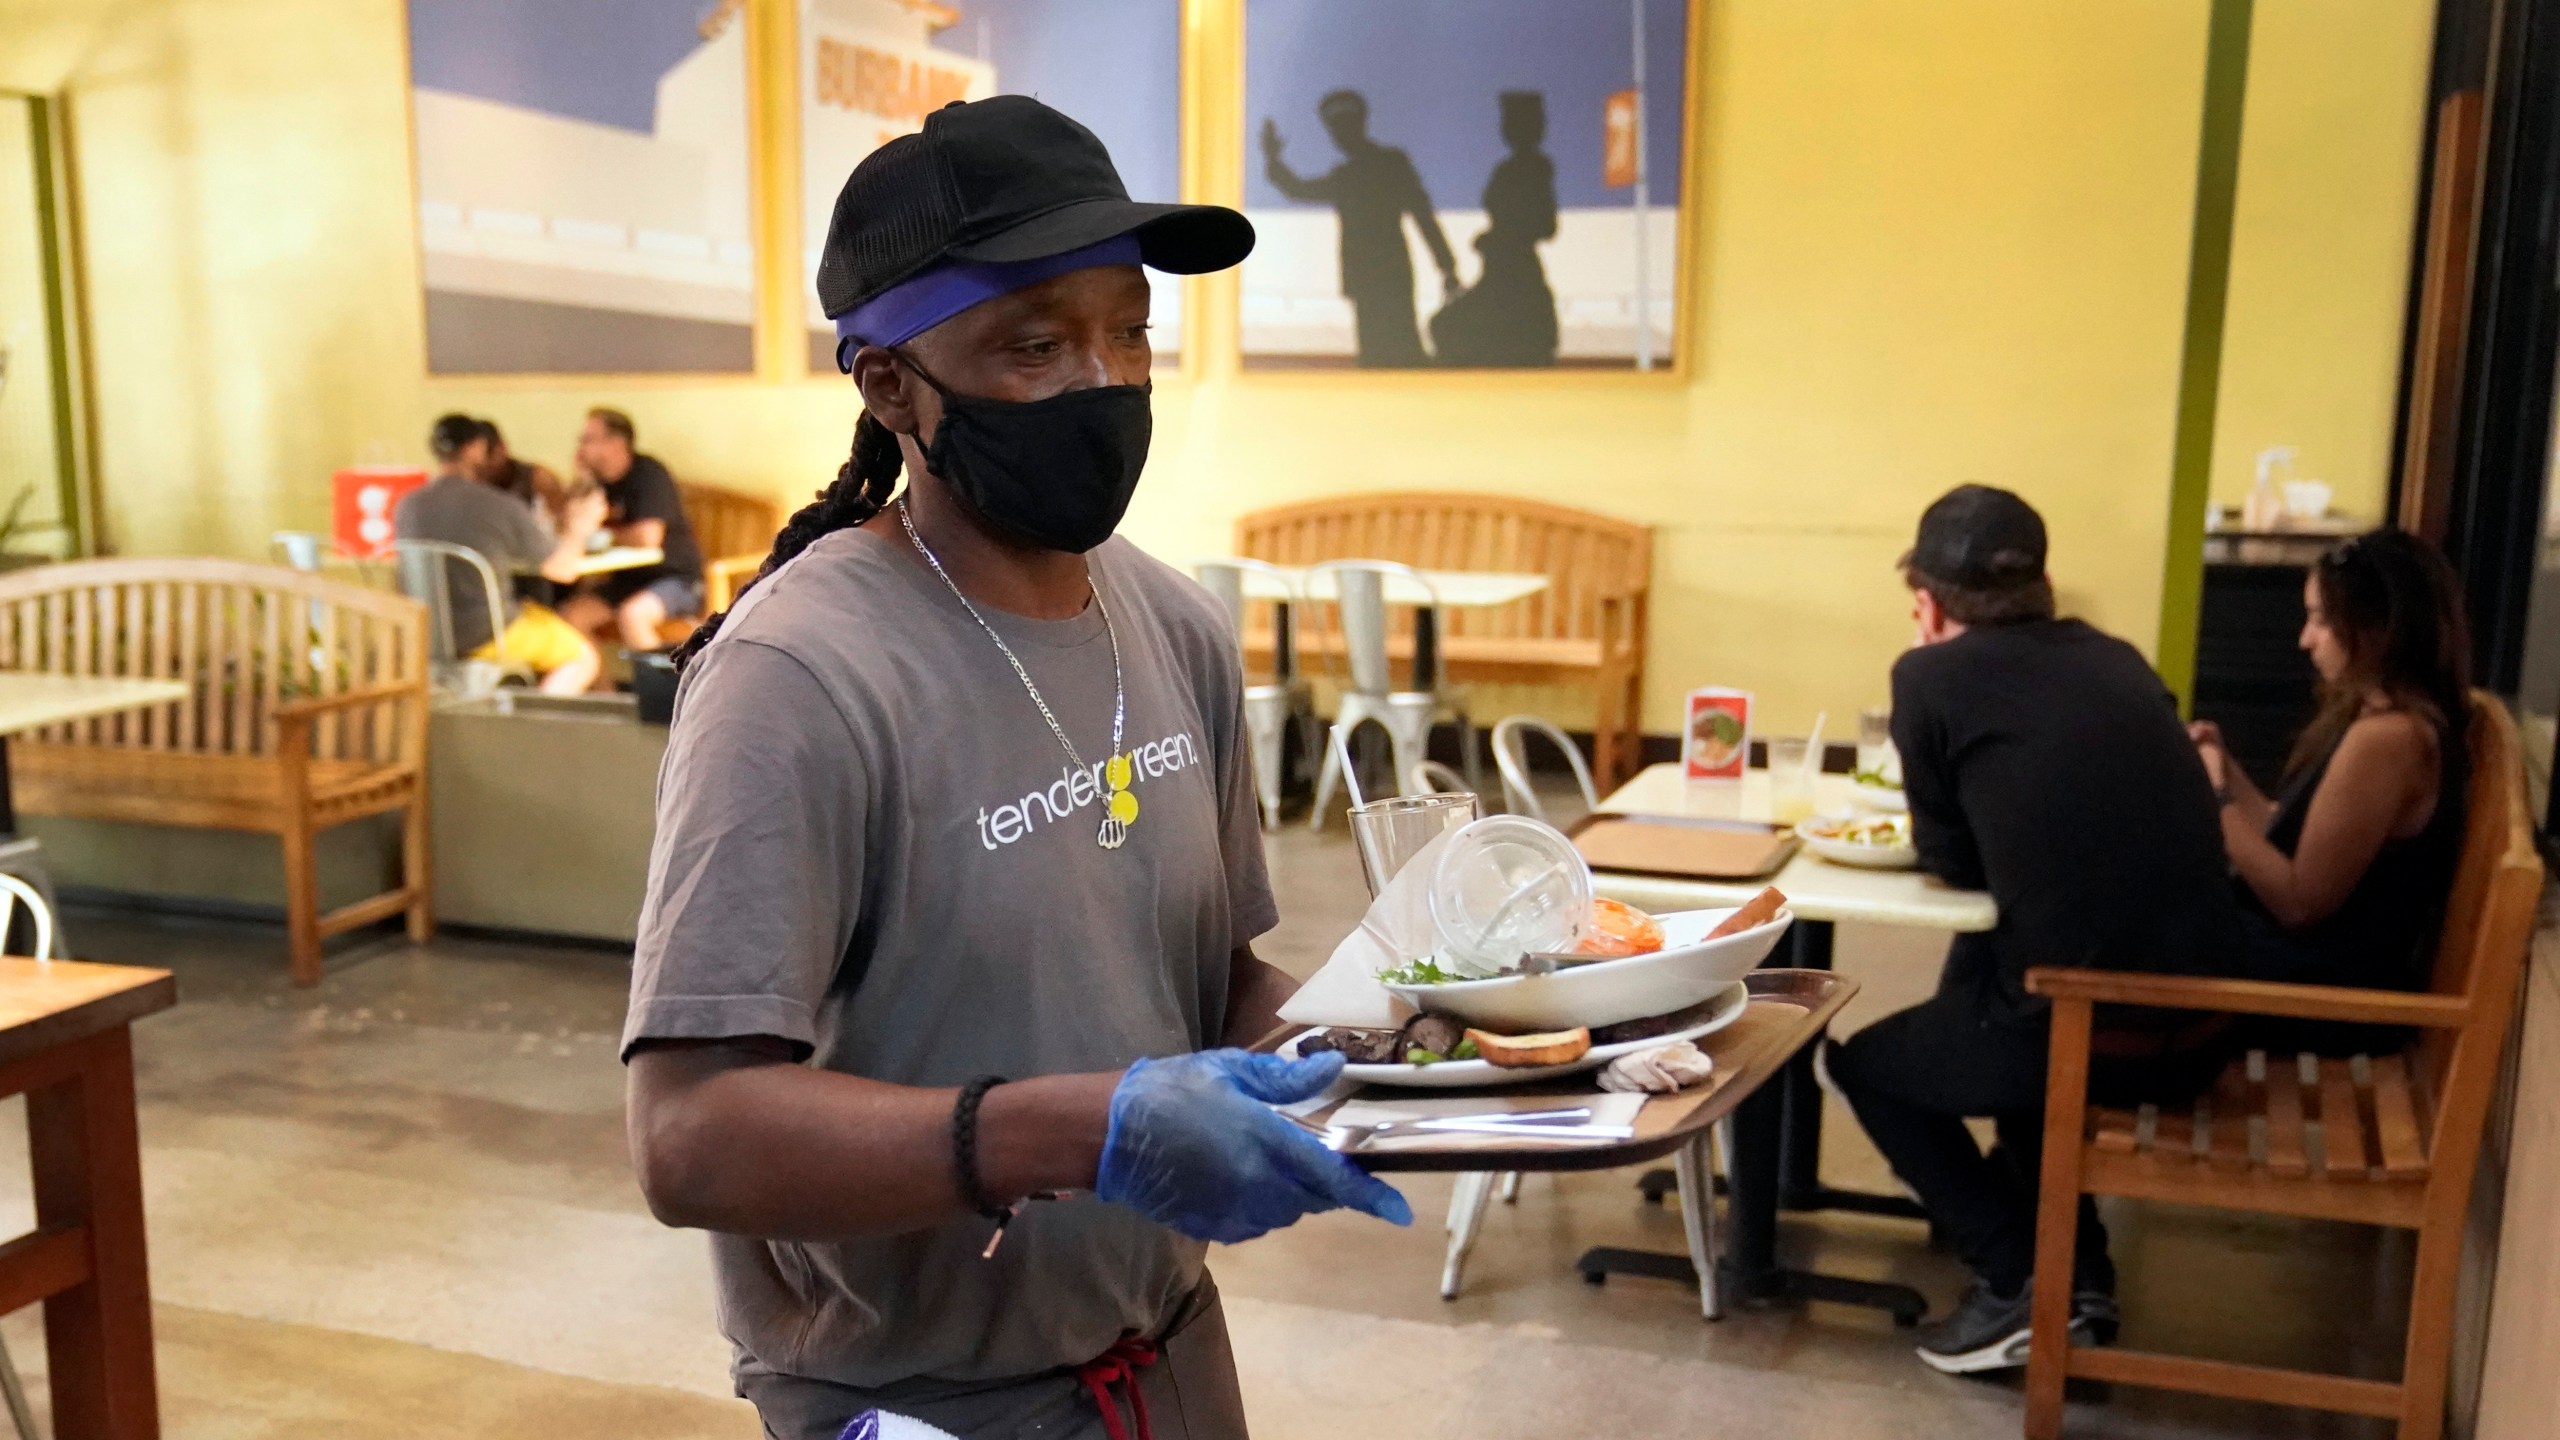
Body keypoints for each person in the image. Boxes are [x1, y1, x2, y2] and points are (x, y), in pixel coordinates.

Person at [622, 96, 1410, 1440]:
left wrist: (1399, 1043)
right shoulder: (799, 679)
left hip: (1162, 1350)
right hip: (916, 1400)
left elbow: (1208, 986)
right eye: (1034, 347)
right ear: (889, 383)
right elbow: (692, 1136)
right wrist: (1076, 1131)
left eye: (1128, 329)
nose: (1103, 380)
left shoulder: (1172, 627)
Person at [1826, 485, 2245, 1376]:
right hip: (2207, 1016)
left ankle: (2018, 1277)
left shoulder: (1928, 676)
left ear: (1927, 603)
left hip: (2105, 1029)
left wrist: (1930, 681)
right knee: (1994, 968)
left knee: (1865, 1064)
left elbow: (1951, 860)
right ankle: (2076, 1274)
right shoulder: (2118, 656)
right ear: (2043, 587)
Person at [2191, 530, 2470, 1053]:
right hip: (2312, 971)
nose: (2304, 639)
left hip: (2327, 996)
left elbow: (2299, 901)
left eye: (2321, 620)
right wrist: (2225, 769)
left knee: (2121, 935)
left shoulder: (2390, 740)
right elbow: (2289, 833)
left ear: (2373, 630)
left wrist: (2212, 804)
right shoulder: (2386, 719)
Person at [395, 415, 606, 694]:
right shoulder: (500, 505)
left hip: (423, 633)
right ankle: (534, 727)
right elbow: (563, 570)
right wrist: (581, 527)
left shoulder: (407, 506)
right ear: (476, 448)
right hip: (488, 633)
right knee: (583, 657)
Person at [1261, 90, 1460, 367]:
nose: (1337, 136)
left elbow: (1423, 216)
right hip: (1382, 272)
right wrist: (1446, 265)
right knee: (1390, 349)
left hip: (1379, 273)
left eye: (1339, 129)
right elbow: (1424, 216)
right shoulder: (1377, 167)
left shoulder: (1375, 169)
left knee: (1389, 350)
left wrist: (1447, 266)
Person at [1429, 91, 1560, 368]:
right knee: (1445, 327)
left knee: (1447, 327)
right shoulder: (1514, 169)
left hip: (1513, 272)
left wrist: (1500, 237)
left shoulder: (1533, 170)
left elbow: (1545, 226)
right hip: (1502, 269)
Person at [559, 408, 705, 651]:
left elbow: (647, 538)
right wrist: (581, 481)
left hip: (675, 578)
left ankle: (661, 686)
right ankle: (605, 691)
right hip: (627, 580)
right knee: (572, 616)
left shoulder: (648, 475)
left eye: (588, 440)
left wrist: (607, 536)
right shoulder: (598, 482)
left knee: (632, 616)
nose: (581, 448)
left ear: (616, 443)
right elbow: (569, 526)